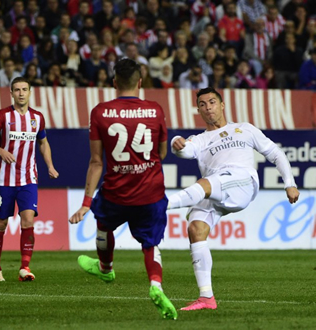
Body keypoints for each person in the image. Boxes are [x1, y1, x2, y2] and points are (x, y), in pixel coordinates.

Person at [167, 87, 299, 311]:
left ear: (222, 105)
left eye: (212, 102)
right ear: (198, 110)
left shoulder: (244, 129)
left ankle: (157, 206)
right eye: (202, 104)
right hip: (218, 190)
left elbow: (274, 153)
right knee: (195, 229)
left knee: (205, 185)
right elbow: (185, 151)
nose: (208, 107)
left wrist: (290, 183)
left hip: (243, 182)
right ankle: (206, 297)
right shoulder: (198, 139)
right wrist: (176, 143)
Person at [68, 58, 177, 321]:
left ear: (114, 82)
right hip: (150, 193)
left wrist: (85, 202)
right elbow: (162, 153)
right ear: (140, 82)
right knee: (150, 243)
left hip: (116, 192)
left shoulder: (100, 112)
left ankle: (106, 268)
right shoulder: (156, 109)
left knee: (103, 224)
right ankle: (155, 285)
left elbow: (96, 161)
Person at [0, 76, 59, 282]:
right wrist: (1, 151)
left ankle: (25, 267)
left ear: (30, 91)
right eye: (17, 90)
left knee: (28, 219)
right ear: (12, 93)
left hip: (28, 179)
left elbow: (43, 143)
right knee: (0, 224)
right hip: (4, 181)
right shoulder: (3, 115)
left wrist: (50, 166)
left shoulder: (38, 118)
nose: (21, 93)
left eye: (25, 89)